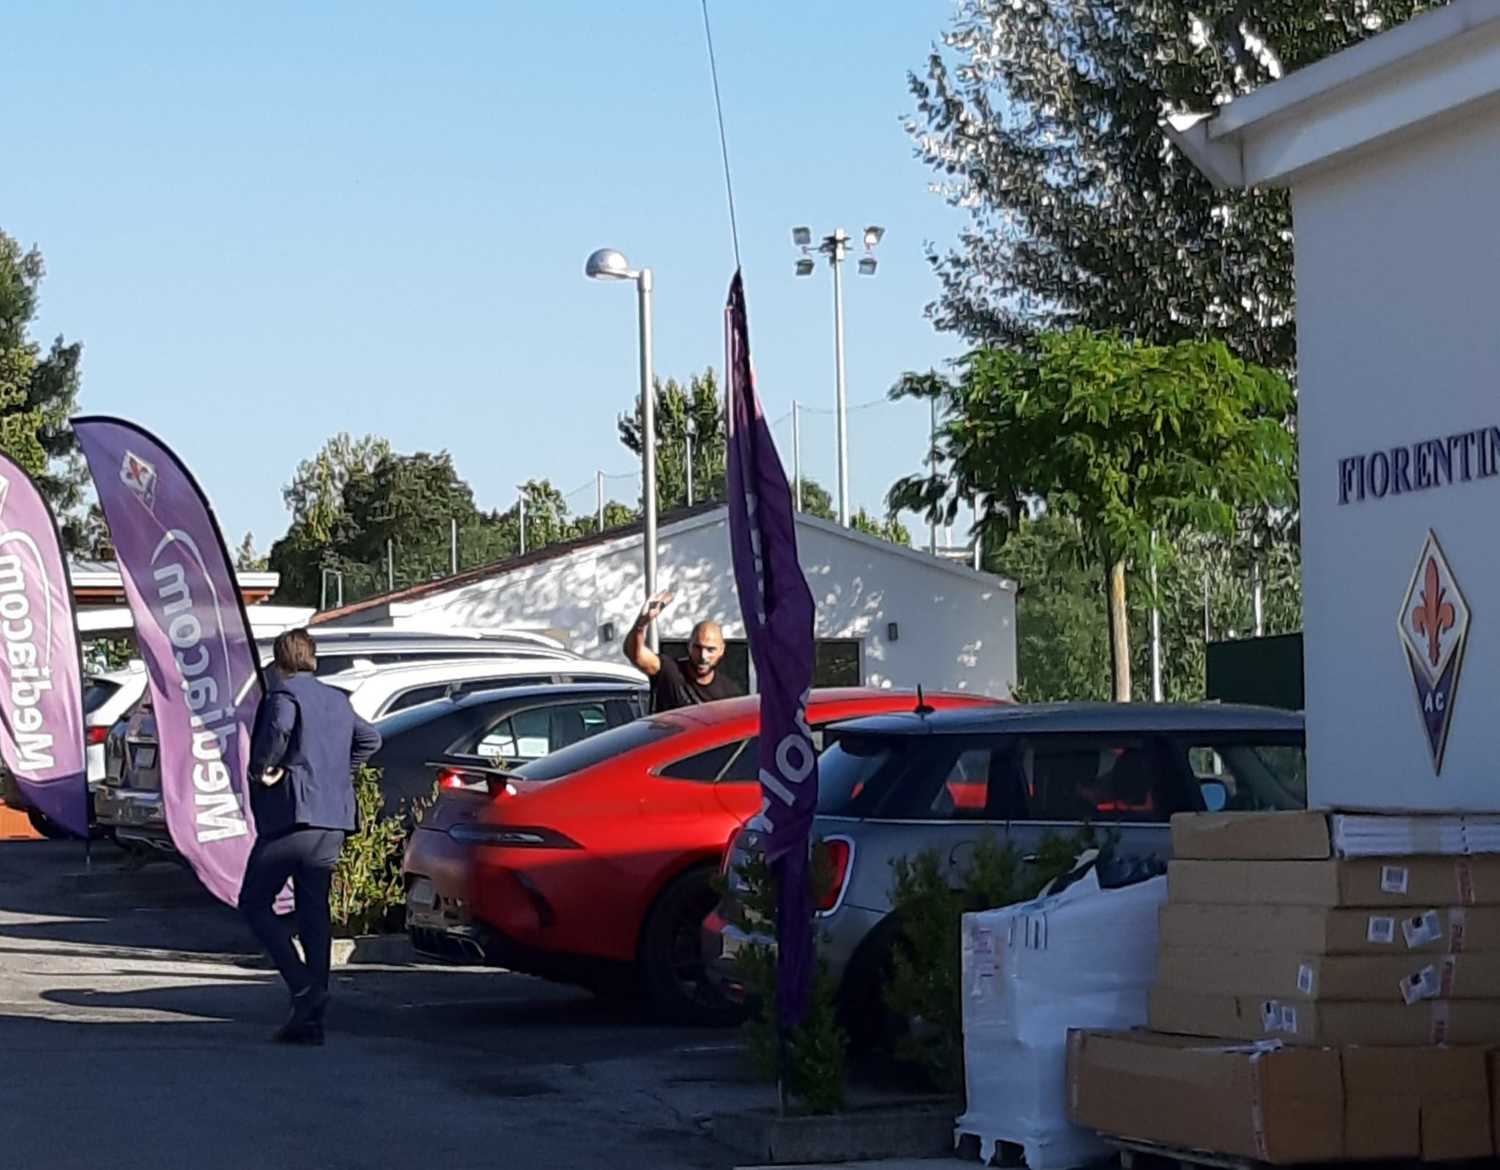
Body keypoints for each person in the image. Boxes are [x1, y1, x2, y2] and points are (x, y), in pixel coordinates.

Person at [239, 628, 382, 1045]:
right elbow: (371, 739)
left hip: (293, 818)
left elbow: (279, 729)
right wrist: (337, 773)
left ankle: (303, 987)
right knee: (313, 911)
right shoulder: (336, 698)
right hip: (332, 819)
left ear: (280, 659)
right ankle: (311, 1016)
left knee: (254, 903)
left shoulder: (284, 695)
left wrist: (263, 768)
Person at [623, 590, 740, 713]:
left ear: (721, 650)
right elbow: (634, 654)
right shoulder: (670, 671)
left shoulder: (729, 694)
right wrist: (641, 624)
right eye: (697, 647)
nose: (703, 656)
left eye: (710, 650)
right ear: (689, 646)